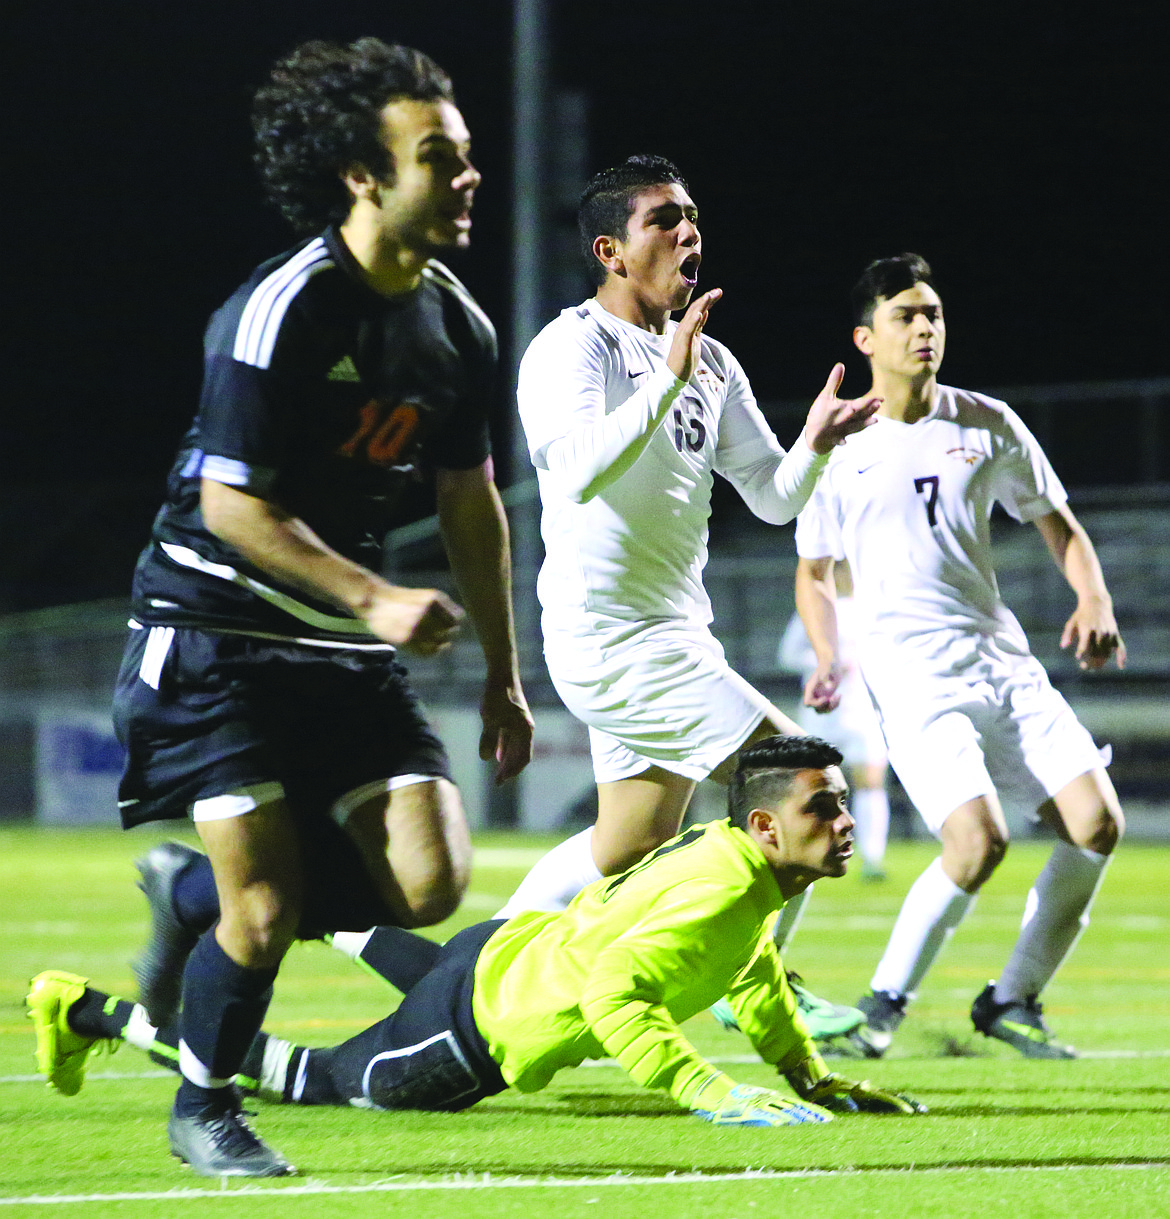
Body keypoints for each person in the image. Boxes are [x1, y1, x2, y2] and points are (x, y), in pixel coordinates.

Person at [108, 38, 533, 1177]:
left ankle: (187, 891)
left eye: (469, 155)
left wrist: (503, 670)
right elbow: (229, 507)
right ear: (362, 175)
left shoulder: (461, 326)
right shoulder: (281, 309)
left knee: (430, 880)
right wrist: (377, 596)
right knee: (266, 913)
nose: (467, 177)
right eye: (438, 157)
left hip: (342, 645)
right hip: (217, 634)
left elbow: (469, 498)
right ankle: (206, 1108)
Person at [28, 737, 923, 1136]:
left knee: (337, 919)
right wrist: (714, 1093)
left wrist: (807, 1073)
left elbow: (752, 969)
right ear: (766, 826)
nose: (846, 820)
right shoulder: (730, 887)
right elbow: (614, 993)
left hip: (497, 951)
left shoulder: (736, 862)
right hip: (469, 1035)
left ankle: (189, 881)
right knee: (308, 1078)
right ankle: (86, 1011)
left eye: (843, 802)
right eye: (825, 806)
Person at [494, 155, 878, 1036]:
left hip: (676, 638)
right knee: (800, 776)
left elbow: (774, 499)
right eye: (664, 219)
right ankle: (767, 986)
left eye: (693, 215)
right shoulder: (571, 346)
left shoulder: (712, 362)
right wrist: (666, 377)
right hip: (608, 639)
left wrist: (814, 441)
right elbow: (578, 468)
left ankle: (487, 959)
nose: (688, 231)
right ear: (610, 250)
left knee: (624, 844)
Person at [793, 253, 1125, 1059]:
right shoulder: (840, 445)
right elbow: (812, 572)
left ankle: (1011, 999)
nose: (925, 327)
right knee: (978, 843)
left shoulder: (988, 422)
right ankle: (881, 1008)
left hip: (1002, 661)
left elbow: (1059, 525)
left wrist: (1095, 598)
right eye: (907, 315)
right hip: (913, 675)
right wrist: (830, 654)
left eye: (934, 313)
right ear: (865, 337)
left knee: (1098, 823)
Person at [777, 560, 892, 880]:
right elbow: (787, 655)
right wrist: (826, 663)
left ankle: (872, 859)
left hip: (866, 711)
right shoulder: (817, 609)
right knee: (812, 785)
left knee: (870, 780)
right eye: (841, 569)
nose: (848, 576)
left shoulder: (875, 609)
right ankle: (808, 851)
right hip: (824, 713)